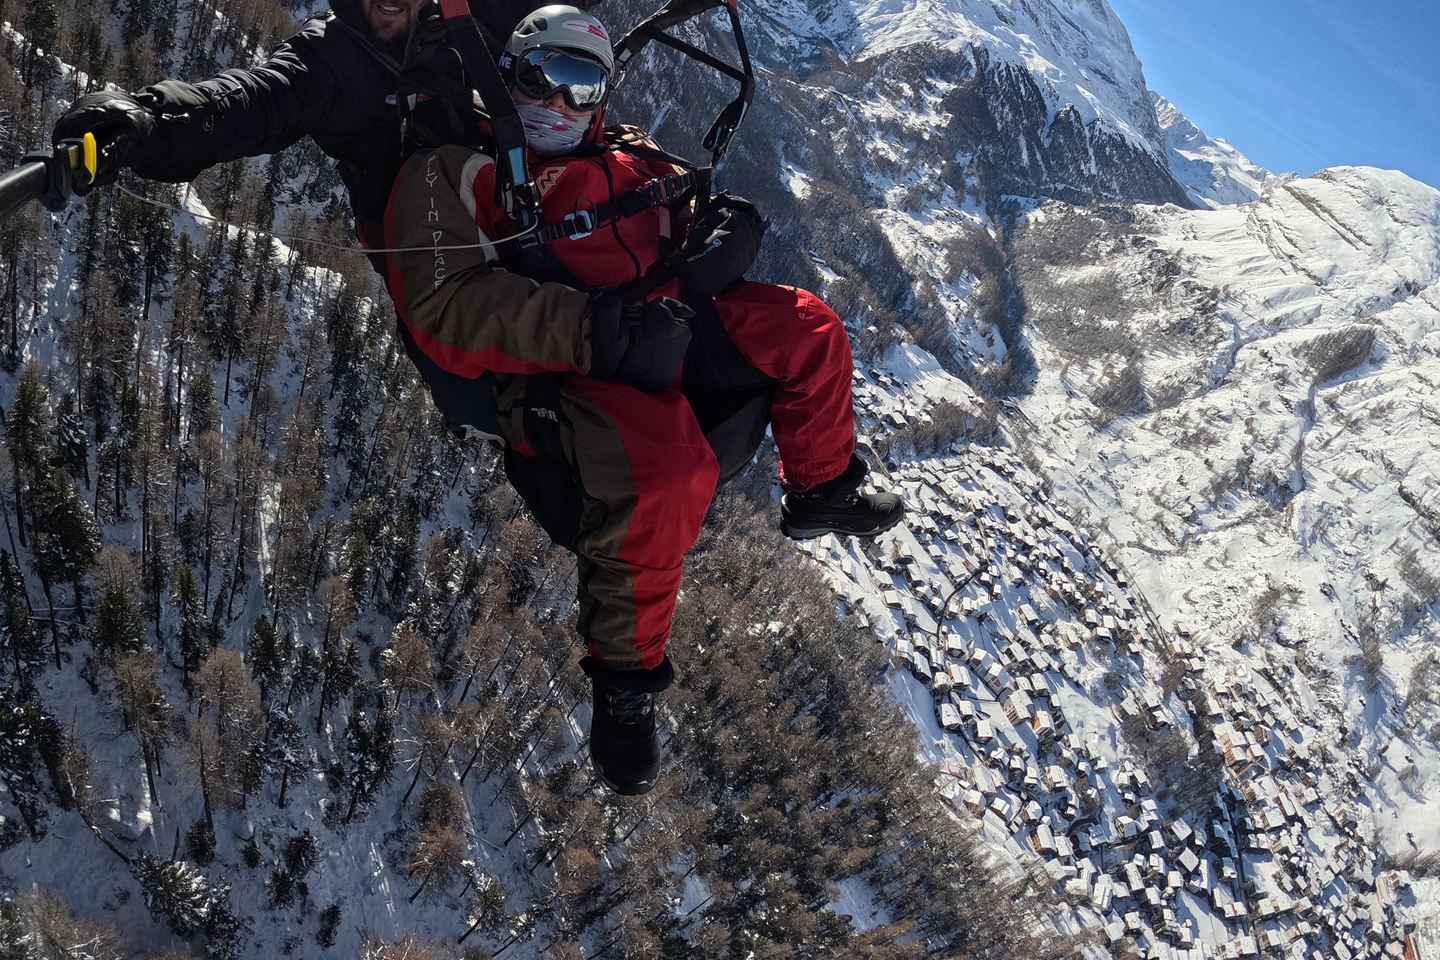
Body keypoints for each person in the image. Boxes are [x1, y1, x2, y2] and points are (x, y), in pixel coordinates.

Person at [383, 5, 905, 795]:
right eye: (542, 78)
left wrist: (724, 233)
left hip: (663, 320)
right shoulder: (458, 170)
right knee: (668, 474)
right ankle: (625, 685)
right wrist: (595, 329)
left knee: (808, 328)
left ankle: (822, 488)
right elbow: (445, 304)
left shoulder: (626, 153)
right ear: (509, 74)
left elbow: (677, 214)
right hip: (570, 362)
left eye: (581, 85)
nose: (559, 103)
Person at [49, 0, 590, 253]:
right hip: (431, 250)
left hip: (525, 189)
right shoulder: (328, 60)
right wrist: (152, 120)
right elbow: (250, 100)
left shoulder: (468, 15)